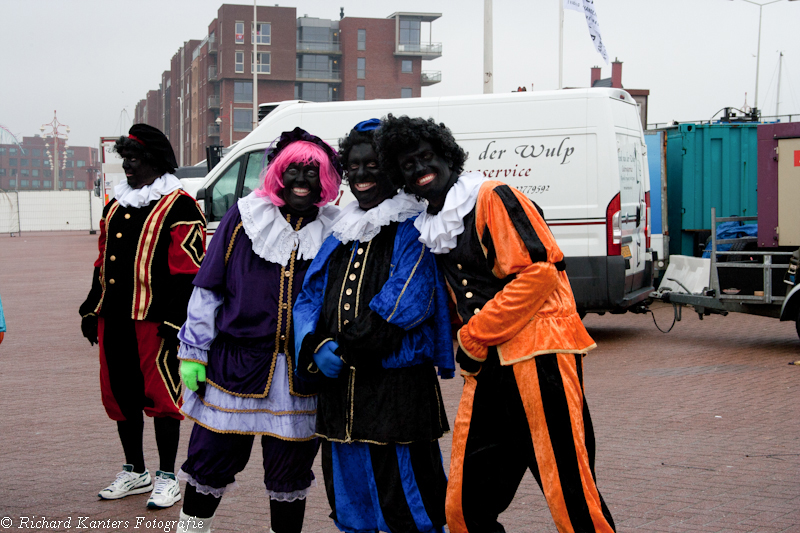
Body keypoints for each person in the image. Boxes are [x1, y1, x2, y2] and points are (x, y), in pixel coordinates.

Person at [375, 115, 616, 533]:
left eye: (425, 157)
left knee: (569, 490)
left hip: (539, 356)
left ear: (448, 157)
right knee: (467, 508)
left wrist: (473, 335)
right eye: (407, 164)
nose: (417, 168)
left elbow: (539, 272)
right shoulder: (434, 222)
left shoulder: (492, 197)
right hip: (489, 370)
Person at [175, 128, 342, 533]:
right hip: (235, 367)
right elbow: (208, 286)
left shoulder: (338, 228)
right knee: (210, 459)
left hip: (301, 376)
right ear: (277, 175)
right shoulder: (244, 217)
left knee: (289, 472)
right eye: (293, 171)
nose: (302, 181)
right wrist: (193, 352)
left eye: (311, 172)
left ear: (326, 180)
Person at [293, 119, 454, 533]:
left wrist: (344, 348)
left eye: (372, 165)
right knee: (350, 497)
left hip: (394, 387)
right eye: (354, 166)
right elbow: (312, 294)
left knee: (405, 500)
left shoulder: (411, 224)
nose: (361, 175)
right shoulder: (342, 230)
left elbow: (406, 301)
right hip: (340, 391)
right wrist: (312, 344)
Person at [78, 124, 206, 509]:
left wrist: (174, 321)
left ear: (154, 161)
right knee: (121, 394)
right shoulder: (116, 205)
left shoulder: (180, 205)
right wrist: (90, 306)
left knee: (163, 396)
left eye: (134, 159)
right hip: (115, 316)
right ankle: (135, 470)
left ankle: (168, 477)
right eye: (126, 159)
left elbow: (189, 271)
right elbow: (104, 263)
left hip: (155, 320)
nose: (128, 167)